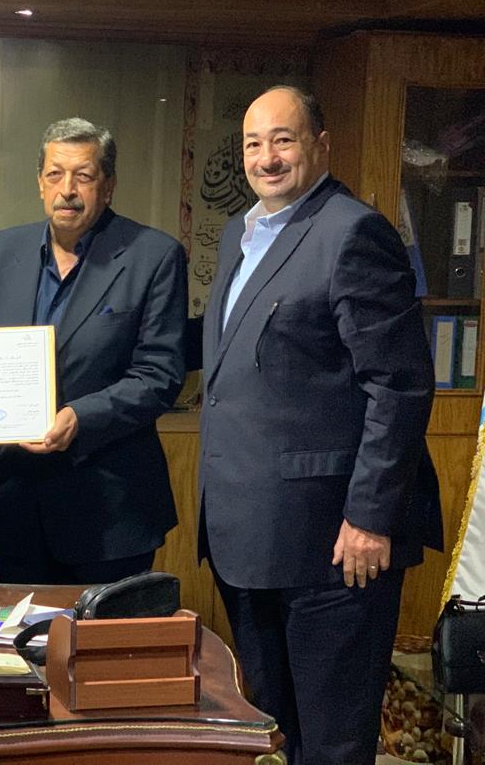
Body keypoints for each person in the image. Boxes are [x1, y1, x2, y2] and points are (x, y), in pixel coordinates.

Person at [199, 85, 442, 765]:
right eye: (253, 143)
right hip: (251, 538)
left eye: (284, 139)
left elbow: (398, 385)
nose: (267, 157)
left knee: (333, 745)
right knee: (280, 735)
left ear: (321, 144)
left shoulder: (353, 232)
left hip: (335, 546)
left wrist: (370, 517)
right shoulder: (240, 234)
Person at [0, 117, 187, 585]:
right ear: (40, 183)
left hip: (109, 512)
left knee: (100, 635)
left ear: (108, 185)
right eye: (55, 174)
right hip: (17, 506)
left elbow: (159, 375)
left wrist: (80, 417)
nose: (67, 190)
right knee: (23, 633)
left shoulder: (153, 256)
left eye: (83, 176)